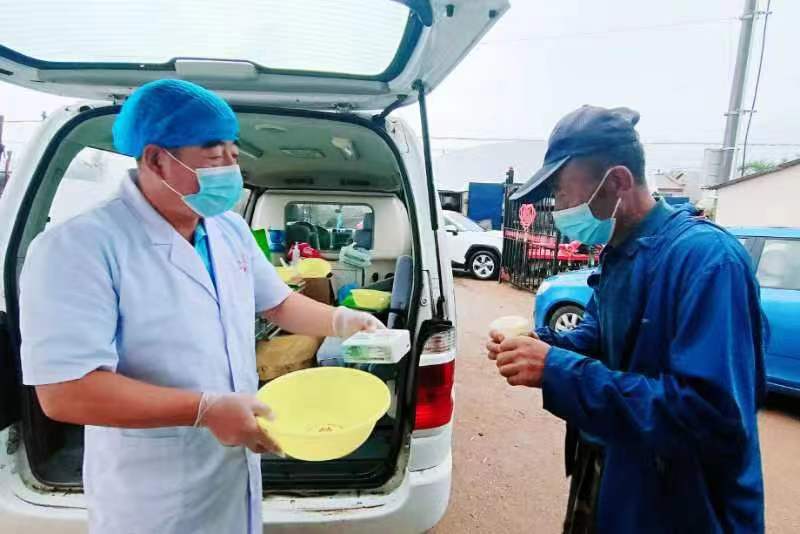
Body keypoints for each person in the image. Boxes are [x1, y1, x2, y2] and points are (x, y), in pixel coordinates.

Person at [19, 79, 383, 534]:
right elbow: (66, 392)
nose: (231, 167)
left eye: (234, 153)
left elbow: (278, 304)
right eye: (214, 157)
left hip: (231, 470)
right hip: (152, 490)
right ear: (156, 159)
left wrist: (345, 321)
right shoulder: (79, 246)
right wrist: (204, 410)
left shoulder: (228, 228)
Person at [487, 106, 766, 533]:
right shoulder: (619, 251)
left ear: (617, 181)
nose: (558, 209)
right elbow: (598, 335)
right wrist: (542, 345)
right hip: (618, 474)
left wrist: (557, 370)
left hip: (686, 509)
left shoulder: (706, 261)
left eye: (562, 193)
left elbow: (707, 415)